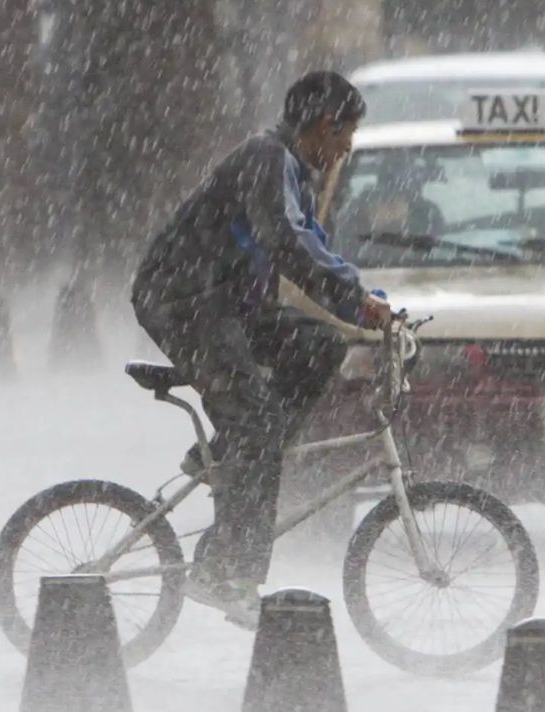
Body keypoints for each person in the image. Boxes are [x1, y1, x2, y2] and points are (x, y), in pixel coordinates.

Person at [130, 70, 392, 629]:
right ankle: (229, 572)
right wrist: (352, 298)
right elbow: (286, 241)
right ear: (325, 125)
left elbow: (312, 244)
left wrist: (358, 301)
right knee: (257, 423)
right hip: (186, 299)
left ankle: (232, 451)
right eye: (346, 135)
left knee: (319, 345)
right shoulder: (266, 158)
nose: (347, 148)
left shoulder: (294, 172)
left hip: (229, 304)